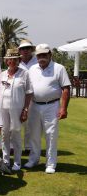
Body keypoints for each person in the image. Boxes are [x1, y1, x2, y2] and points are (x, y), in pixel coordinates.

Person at [25, 44, 71, 174]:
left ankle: (50, 163)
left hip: (52, 105)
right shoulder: (32, 69)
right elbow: (28, 89)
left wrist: (63, 108)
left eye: (44, 54)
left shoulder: (59, 68)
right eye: (39, 55)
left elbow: (66, 89)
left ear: (50, 55)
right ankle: (34, 159)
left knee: (51, 135)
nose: (42, 57)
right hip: (34, 105)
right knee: (33, 134)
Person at [0, 49, 33, 171]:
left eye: (14, 59)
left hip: (17, 109)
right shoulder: (2, 74)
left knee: (16, 134)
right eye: (9, 59)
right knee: (4, 134)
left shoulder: (25, 74)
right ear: (6, 61)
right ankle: (6, 160)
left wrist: (25, 110)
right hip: (2, 109)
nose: (12, 62)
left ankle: (17, 162)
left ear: (18, 60)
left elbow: (29, 93)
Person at [18, 39, 38, 153]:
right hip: (19, 95)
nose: (25, 51)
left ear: (31, 50)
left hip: (34, 96)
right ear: (20, 50)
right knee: (15, 121)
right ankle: (13, 146)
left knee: (30, 122)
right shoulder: (17, 62)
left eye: (27, 48)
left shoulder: (37, 61)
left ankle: (29, 147)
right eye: (23, 49)